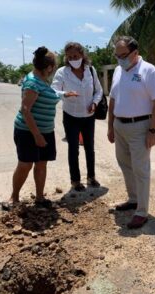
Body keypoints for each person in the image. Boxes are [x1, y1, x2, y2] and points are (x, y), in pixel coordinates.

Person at [108, 36, 155, 229]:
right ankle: (133, 199)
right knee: (125, 165)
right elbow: (112, 100)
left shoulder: (148, 70)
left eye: (123, 55)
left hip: (140, 127)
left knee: (141, 169)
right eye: (117, 55)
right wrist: (110, 126)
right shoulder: (117, 71)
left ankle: (142, 211)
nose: (120, 59)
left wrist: (152, 130)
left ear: (135, 53)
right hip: (120, 126)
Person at [10, 46, 69, 206]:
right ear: (48, 67)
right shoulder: (32, 82)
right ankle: (14, 197)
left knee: (42, 163)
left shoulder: (42, 80)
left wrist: (64, 94)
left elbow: (49, 94)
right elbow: (25, 110)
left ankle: (39, 197)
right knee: (25, 164)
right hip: (28, 132)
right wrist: (37, 135)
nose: (53, 71)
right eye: (53, 68)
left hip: (45, 131)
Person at [52, 42, 103, 191]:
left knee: (90, 147)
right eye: (69, 56)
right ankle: (75, 180)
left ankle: (91, 177)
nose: (73, 59)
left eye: (76, 56)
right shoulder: (62, 72)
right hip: (71, 116)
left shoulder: (91, 70)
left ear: (82, 55)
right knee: (73, 149)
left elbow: (99, 91)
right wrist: (65, 94)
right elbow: (54, 90)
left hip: (88, 116)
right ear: (66, 58)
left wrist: (94, 103)